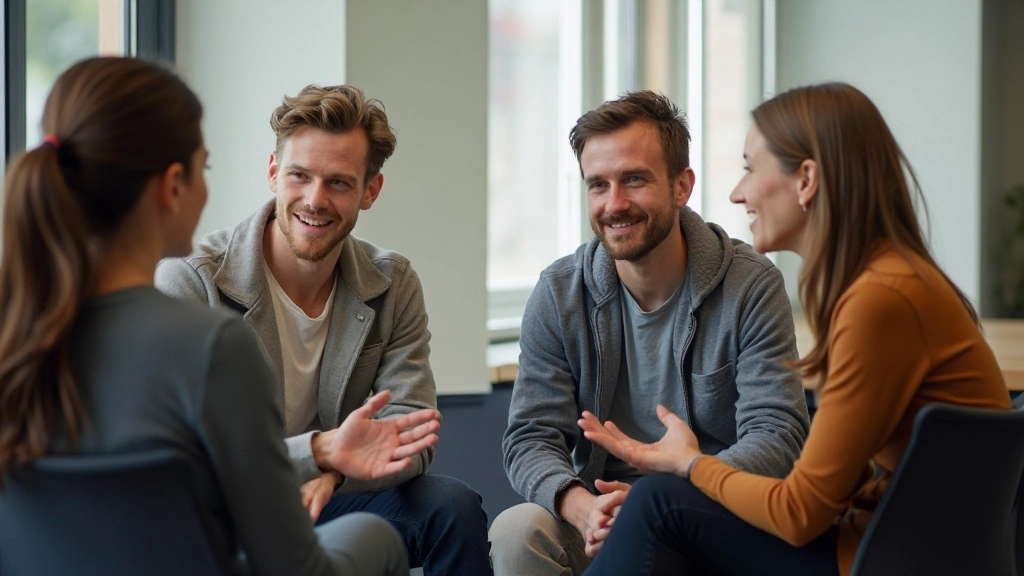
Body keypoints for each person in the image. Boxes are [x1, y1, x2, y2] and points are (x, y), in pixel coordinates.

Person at [0, 56, 433, 575]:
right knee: (371, 534)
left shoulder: (18, 328)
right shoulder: (211, 345)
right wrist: (372, 536)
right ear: (172, 185)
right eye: (204, 168)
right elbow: (293, 568)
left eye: (337, 182)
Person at [578, 82, 1013, 576]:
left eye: (749, 168)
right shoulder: (888, 282)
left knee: (659, 502)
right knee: (661, 505)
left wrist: (690, 464)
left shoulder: (880, 300)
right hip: (888, 543)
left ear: (806, 180)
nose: (737, 192)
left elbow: (800, 514)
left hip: (882, 557)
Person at [155, 84, 491, 575]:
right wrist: (315, 456)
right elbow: (186, 451)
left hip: (333, 496)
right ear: (273, 173)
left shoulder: (392, 282)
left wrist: (330, 473)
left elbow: (411, 427)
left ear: (370, 191)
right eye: (299, 176)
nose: (315, 200)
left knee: (451, 507)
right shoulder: (193, 281)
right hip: (227, 509)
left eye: (338, 182)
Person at [490, 90, 811, 576]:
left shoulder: (750, 284)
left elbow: (777, 436)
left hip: (706, 512)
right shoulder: (558, 293)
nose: (614, 204)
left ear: (682, 186)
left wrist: (653, 499)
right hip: (600, 513)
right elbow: (531, 438)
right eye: (598, 185)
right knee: (516, 534)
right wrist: (584, 508)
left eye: (634, 179)